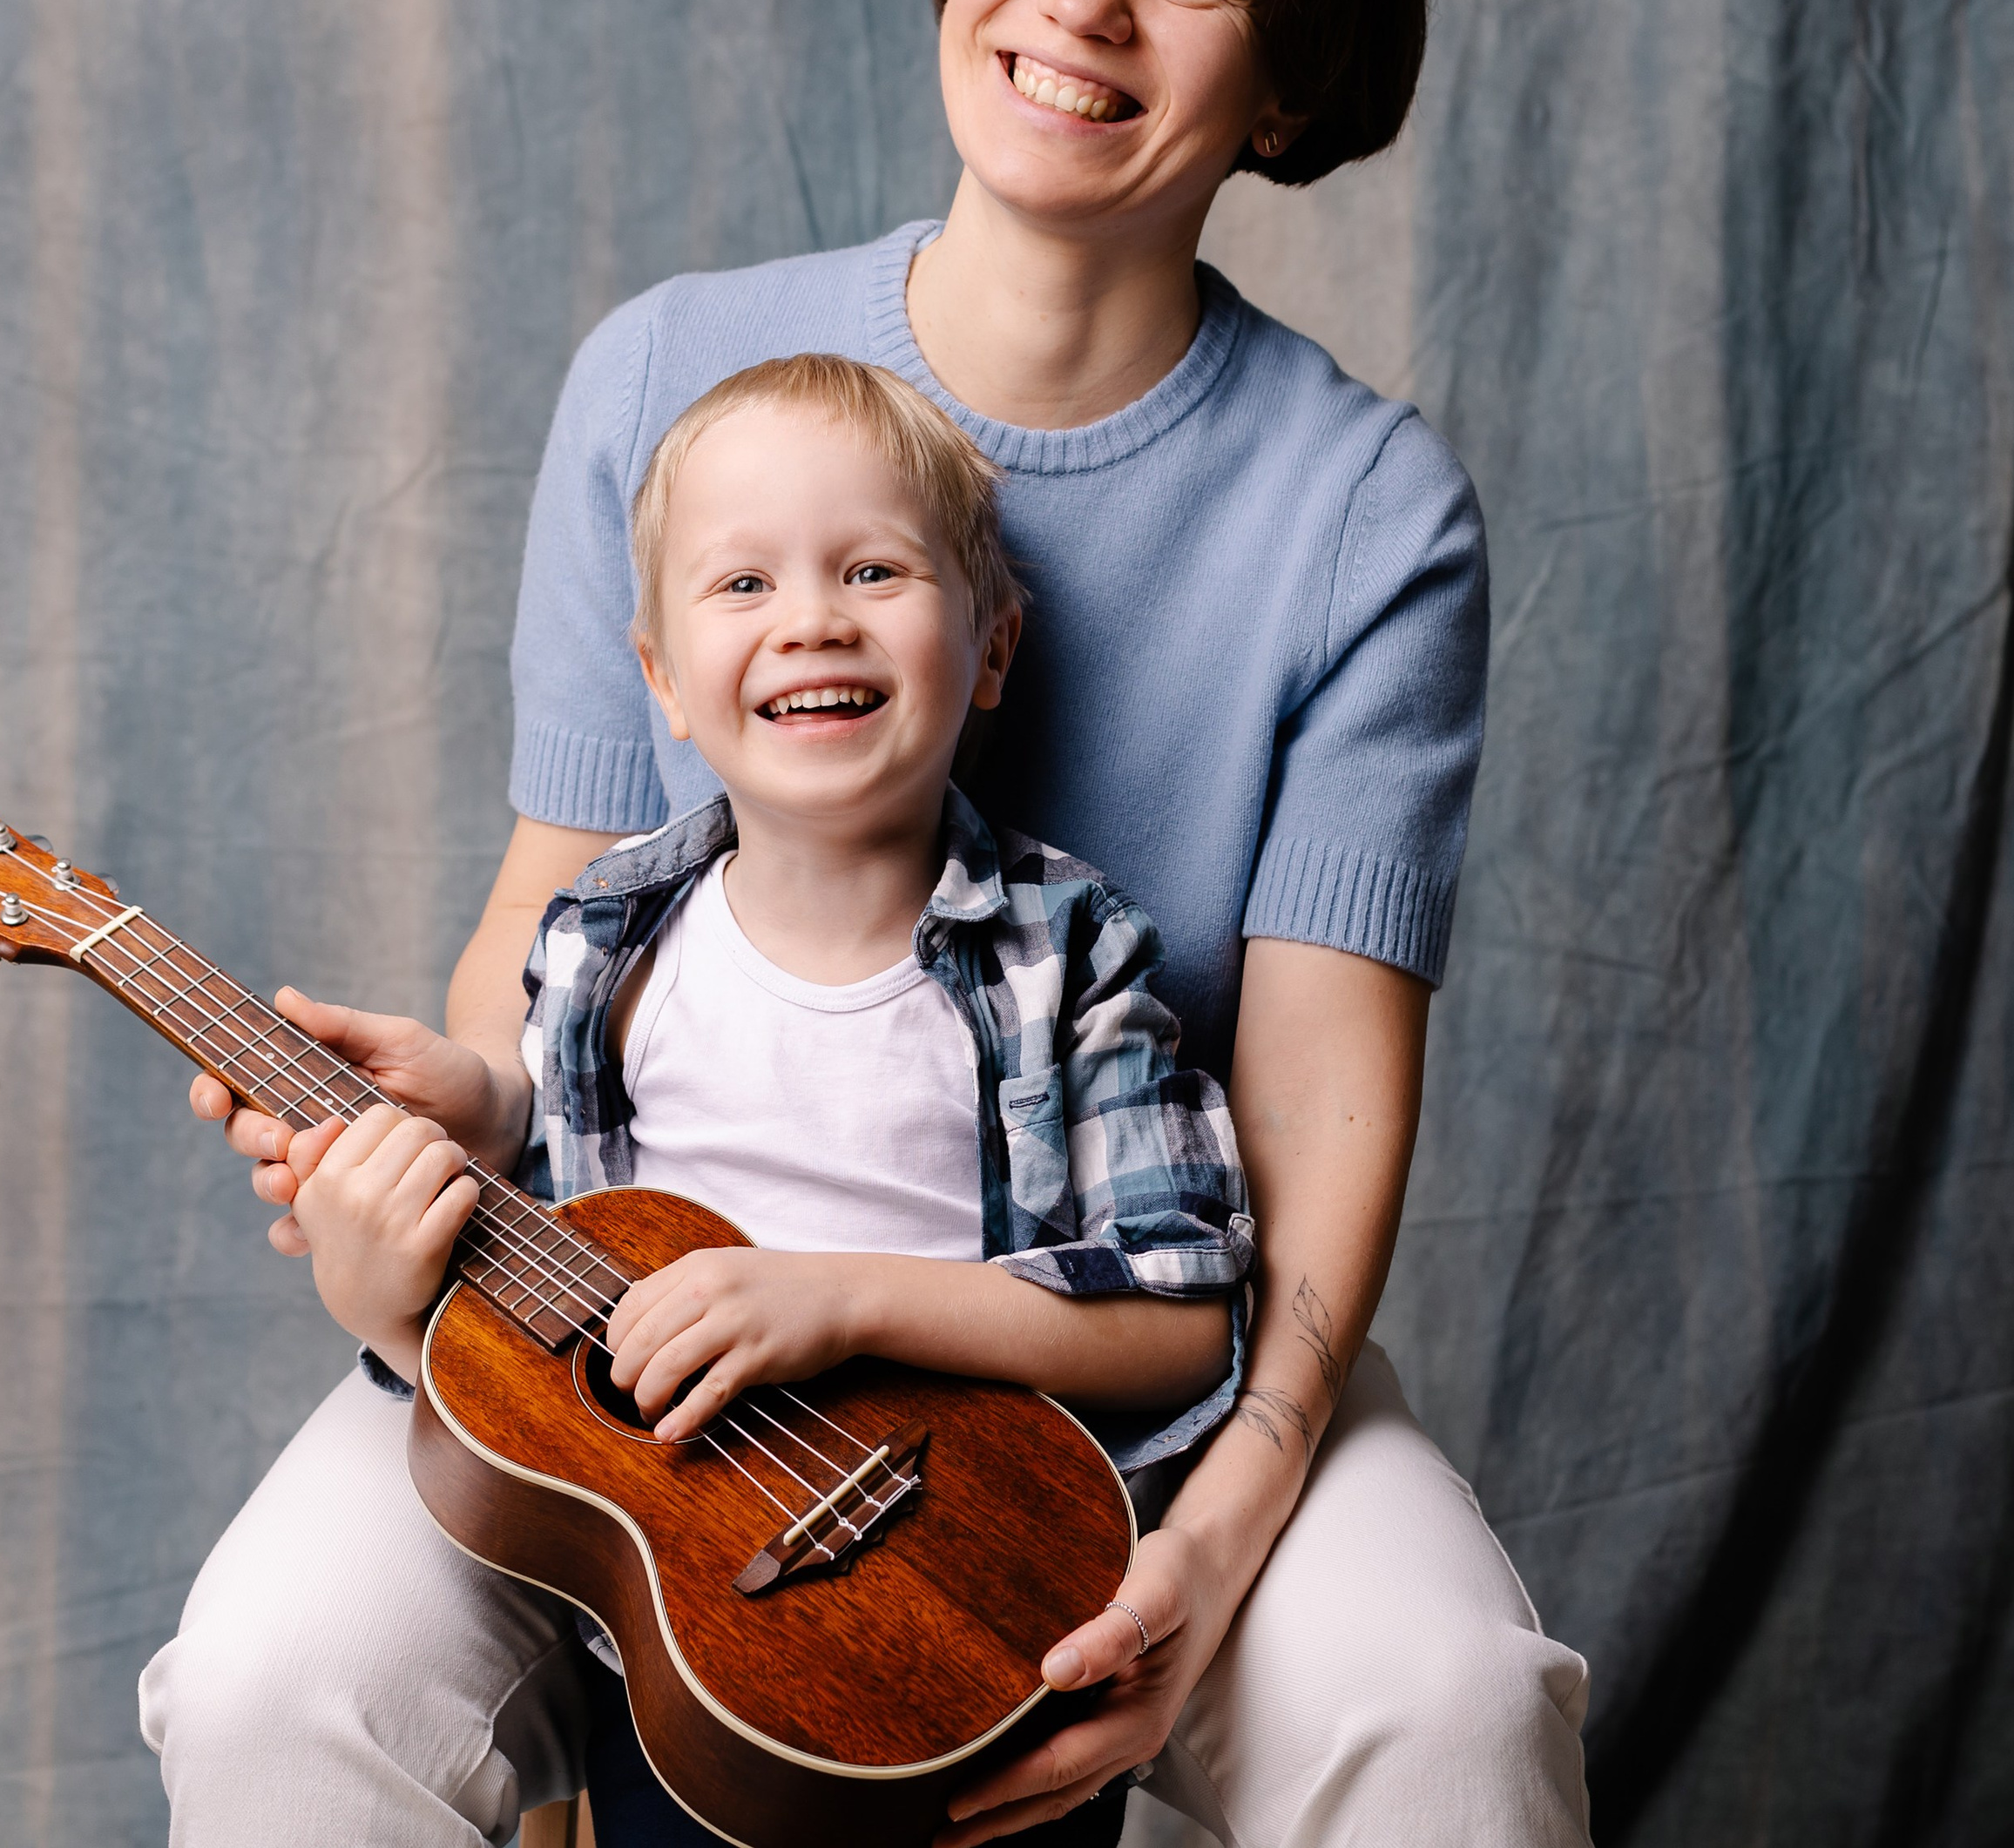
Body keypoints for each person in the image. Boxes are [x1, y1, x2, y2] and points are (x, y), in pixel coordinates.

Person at [175, 0, 1593, 1848]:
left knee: (1441, 1705)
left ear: (1287, 76)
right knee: (279, 1676)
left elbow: (1315, 1127)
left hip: (1109, 1333)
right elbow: (546, 934)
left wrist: (1211, 1540)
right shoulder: (666, 370)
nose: (1082, 7)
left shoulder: (1360, 509)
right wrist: (441, 1144)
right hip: (631, 1331)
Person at [225, 354, 1249, 1845]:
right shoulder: (602, 950)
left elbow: (1177, 1319)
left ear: (994, 647)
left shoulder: (1068, 955)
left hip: (976, 1583)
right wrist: (391, 1283)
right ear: (663, 683)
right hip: (689, 1612)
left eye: (874, 569)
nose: (811, 618)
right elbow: (564, 1329)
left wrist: (836, 1301)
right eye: (744, 583)